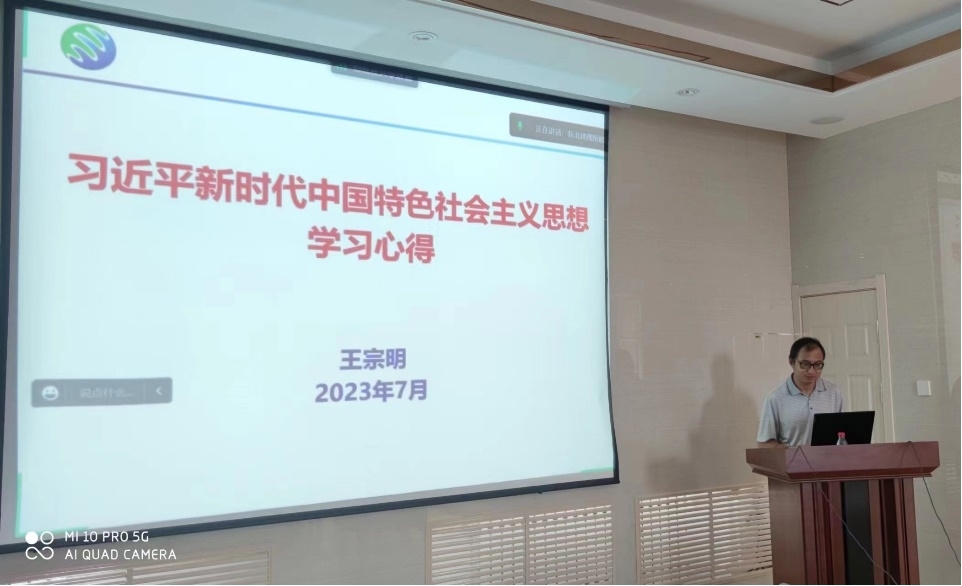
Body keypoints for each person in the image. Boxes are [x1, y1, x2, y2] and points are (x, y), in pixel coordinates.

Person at [757, 337, 843, 448]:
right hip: (793, 459)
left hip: (828, 458)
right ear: (791, 362)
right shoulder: (775, 398)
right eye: (805, 364)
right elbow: (764, 444)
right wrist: (793, 452)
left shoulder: (834, 393)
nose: (811, 371)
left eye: (818, 365)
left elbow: (843, 434)